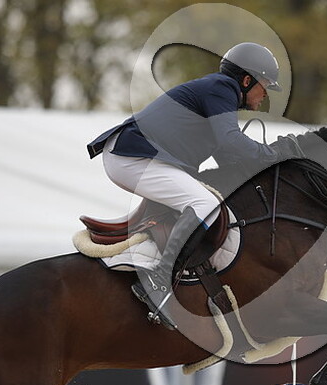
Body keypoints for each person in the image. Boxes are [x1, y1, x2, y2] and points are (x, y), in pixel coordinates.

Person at [87, 42, 303, 326]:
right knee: (205, 203)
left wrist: (272, 164)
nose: (265, 95)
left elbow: (228, 157)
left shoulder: (219, 95)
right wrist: (274, 154)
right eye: (265, 86)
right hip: (132, 158)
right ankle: (158, 282)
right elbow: (231, 142)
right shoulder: (222, 88)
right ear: (246, 80)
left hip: (134, 156)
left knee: (205, 200)